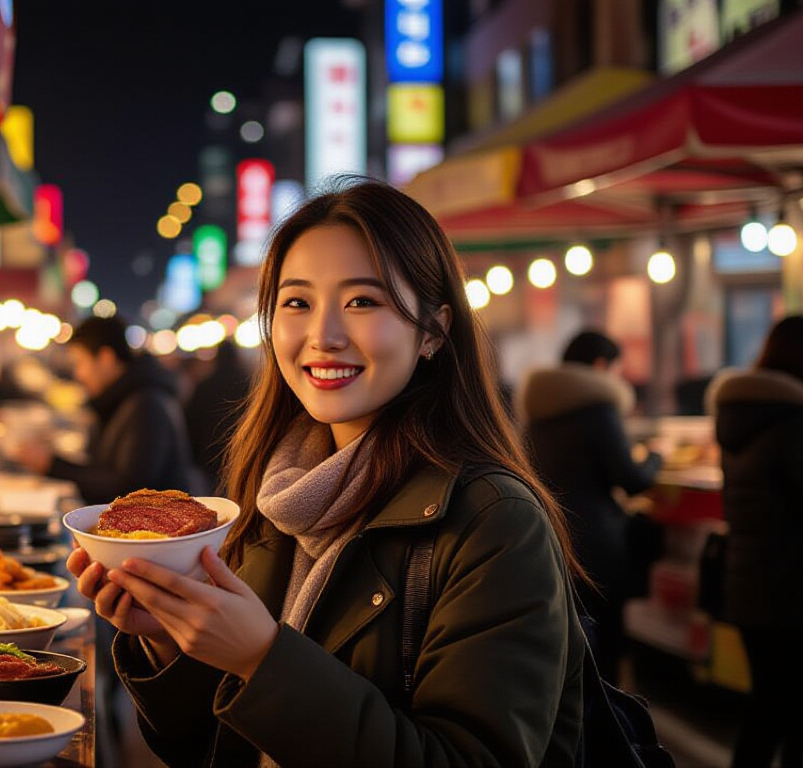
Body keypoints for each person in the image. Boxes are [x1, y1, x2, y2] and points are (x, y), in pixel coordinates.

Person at [67, 178, 587, 766]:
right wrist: (168, 638)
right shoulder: (275, 497)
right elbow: (214, 747)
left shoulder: (494, 522)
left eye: (362, 301)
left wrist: (262, 658)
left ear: (433, 331)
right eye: (297, 303)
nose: (323, 336)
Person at [517, 329, 662, 685]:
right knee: (607, 647)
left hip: (551, 537)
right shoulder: (598, 408)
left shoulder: (539, 409)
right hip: (598, 545)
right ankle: (607, 715)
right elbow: (630, 478)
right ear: (600, 366)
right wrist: (655, 458)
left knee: (570, 642)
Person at [709, 314, 803, 768]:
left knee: (767, 705)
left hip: (750, 586)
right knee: (796, 711)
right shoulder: (797, 425)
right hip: (796, 591)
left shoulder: (740, 417)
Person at [7, 314, 206, 504]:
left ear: (105, 358)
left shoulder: (146, 405)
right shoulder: (118, 400)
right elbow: (103, 472)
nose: (78, 374)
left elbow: (130, 491)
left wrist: (52, 465)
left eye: (80, 363)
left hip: (160, 527)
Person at [185, 339, 251, 494]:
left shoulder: (205, 385)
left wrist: (194, 455)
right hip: (239, 453)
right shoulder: (247, 383)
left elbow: (191, 421)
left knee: (213, 500)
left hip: (209, 456)